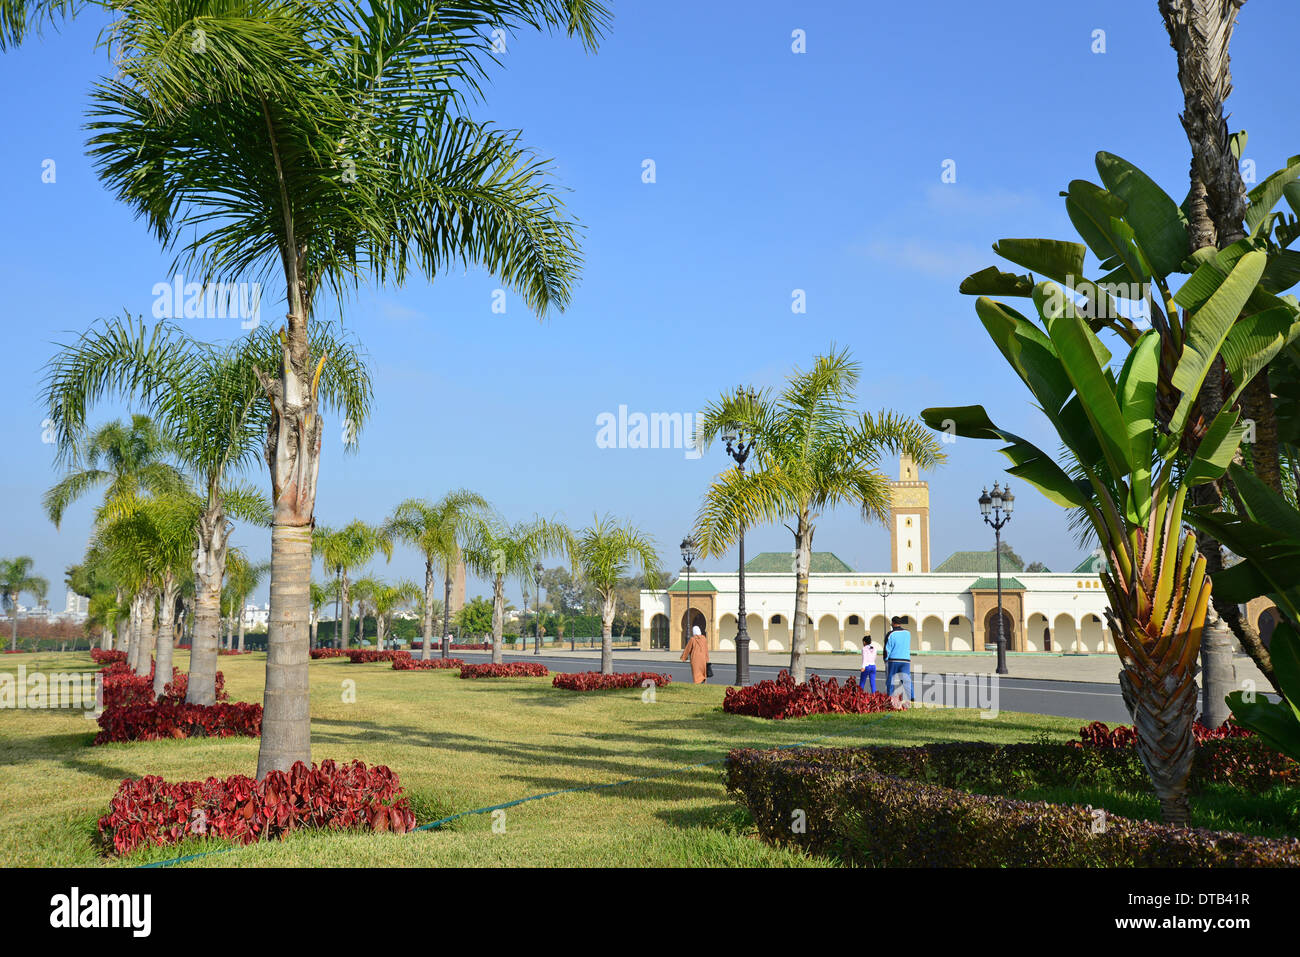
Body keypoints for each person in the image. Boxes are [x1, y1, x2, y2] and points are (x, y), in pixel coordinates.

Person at [884, 616, 913, 701]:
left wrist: (885, 659)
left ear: (893, 623)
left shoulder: (890, 634)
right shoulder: (908, 633)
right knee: (907, 680)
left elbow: (887, 649)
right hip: (906, 660)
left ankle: (890, 697)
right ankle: (911, 697)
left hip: (894, 660)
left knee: (891, 679)